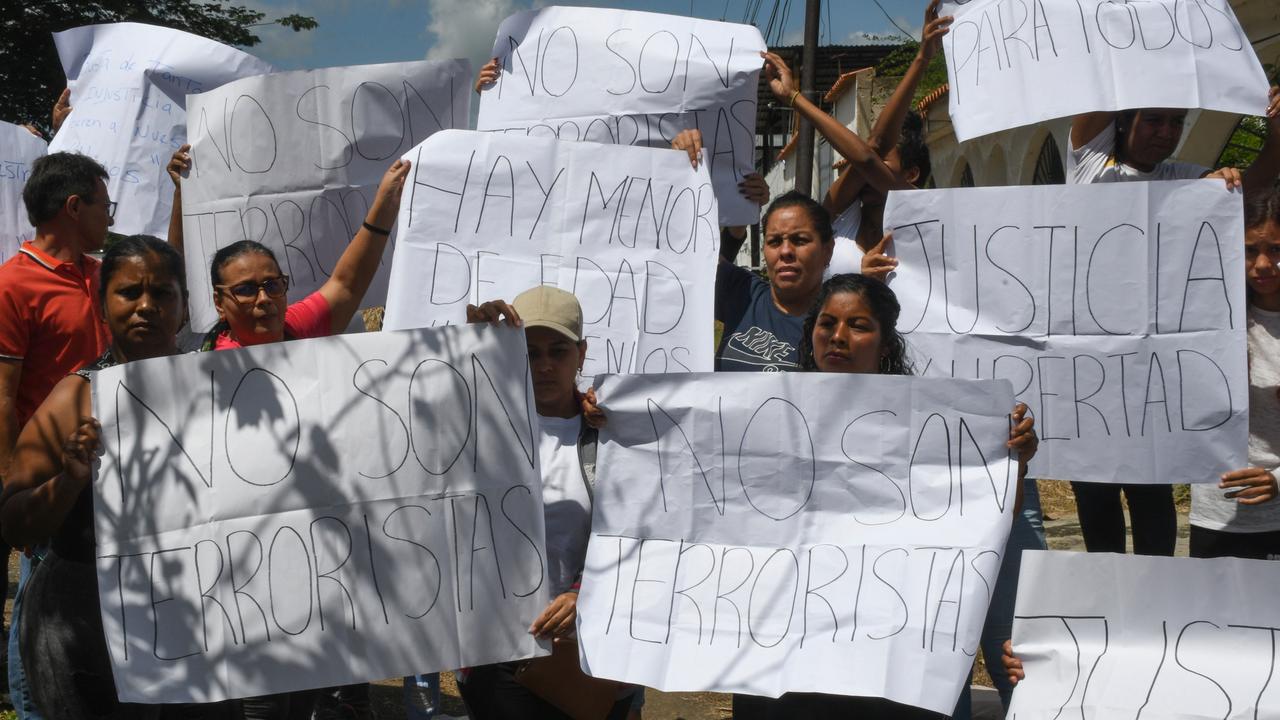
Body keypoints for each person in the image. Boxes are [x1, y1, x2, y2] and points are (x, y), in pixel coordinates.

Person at [720, 272, 1036, 719]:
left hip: (890, 649)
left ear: (886, 343)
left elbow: (990, 516)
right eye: (826, 324)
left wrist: (1012, 461)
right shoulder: (765, 413)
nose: (839, 337)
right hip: (785, 646)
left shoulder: (934, 421)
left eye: (859, 326)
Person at [200, 158, 408, 719]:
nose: (265, 298)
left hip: (328, 573)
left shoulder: (298, 329)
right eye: (246, 290)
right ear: (220, 302)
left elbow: (345, 282)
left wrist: (383, 207)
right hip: (251, 585)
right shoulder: (197, 378)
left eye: (273, 284)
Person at [0, 236, 192, 720]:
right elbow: (15, 521)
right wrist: (68, 480)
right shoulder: (75, 398)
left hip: (195, 628)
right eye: (129, 293)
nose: (147, 305)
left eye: (163, 293)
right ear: (103, 308)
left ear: (185, 308)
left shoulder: (223, 390)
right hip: (85, 635)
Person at [457, 286, 641, 720]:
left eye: (558, 351)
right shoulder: (479, 421)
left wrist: (585, 593)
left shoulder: (615, 431)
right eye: (529, 351)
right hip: (498, 651)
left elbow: (639, 534)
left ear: (581, 353)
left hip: (586, 651)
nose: (543, 366)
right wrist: (470, 349)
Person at [0, 151, 116, 720]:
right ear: (74, 207)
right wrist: (13, 494)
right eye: (104, 204)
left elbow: (169, 275)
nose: (110, 218)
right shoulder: (12, 285)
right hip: (47, 478)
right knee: (37, 609)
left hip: (106, 475)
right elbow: (1, 394)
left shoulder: (103, 275)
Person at [714, 190, 833, 371]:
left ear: (828, 250)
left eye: (800, 240)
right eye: (774, 241)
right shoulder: (742, 292)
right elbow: (693, 259)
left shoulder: (839, 325)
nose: (785, 251)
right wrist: (741, 201)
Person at [1068, 88, 1280, 189]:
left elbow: (1249, 191)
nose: (1167, 132)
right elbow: (1106, 80)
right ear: (1123, 120)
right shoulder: (1091, 158)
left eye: (1177, 121)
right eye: (1153, 120)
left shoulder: (1183, 177)